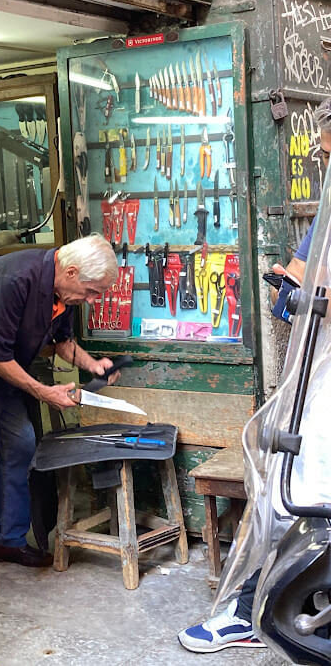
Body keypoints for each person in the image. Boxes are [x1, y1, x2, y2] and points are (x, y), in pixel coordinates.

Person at [178, 96, 331, 654]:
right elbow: (300, 273)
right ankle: (252, 609)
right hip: (321, 371)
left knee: (304, 490)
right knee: (281, 491)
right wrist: (293, 289)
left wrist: (315, 296)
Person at [0, 234, 120, 595]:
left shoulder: (63, 291)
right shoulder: (13, 280)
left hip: (6, 370)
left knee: (22, 442)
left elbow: (61, 342)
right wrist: (43, 392)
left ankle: (7, 539)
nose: (93, 300)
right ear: (71, 271)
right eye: (92, 292)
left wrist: (93, 365)